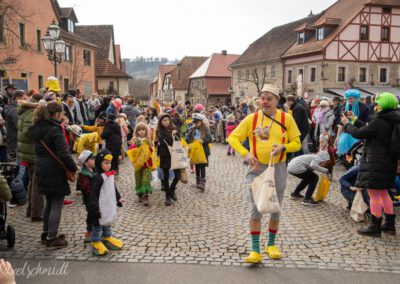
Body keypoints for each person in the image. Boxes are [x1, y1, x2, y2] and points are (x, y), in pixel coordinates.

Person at [228, 84, 301, 263]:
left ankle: (271, 244)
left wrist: (284, 147)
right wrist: (246, 153)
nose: (265, 101)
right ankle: (255, 250)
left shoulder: (287, 119)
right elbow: (232, 138)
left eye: (269, 98)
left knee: (275, 207)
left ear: (277, 100)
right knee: (256, 208)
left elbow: (297, 143)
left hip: (279, 168)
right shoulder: (252, 119)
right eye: (263, 98)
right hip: (256, 169)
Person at [341, 92, 399, 237]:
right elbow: (369, 129)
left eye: (378, 103)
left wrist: (347, 124)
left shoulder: (380, 121)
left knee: (374, 194)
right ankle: (390, 225)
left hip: (376, 161)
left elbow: (360, 133)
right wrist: (355, 120)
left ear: (384, 104)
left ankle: (375, 226)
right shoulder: (392, 118)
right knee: (384, 192)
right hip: (388, 161)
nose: (375, 105)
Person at [28, 101, 77, 249]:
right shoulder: (55, 130)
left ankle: (46, 233)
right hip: (54, 170)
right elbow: (63, 153)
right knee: (56, 203)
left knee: (49, 202)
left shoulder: (37, 128)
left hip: (42, 168)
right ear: (57, 114)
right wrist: (73, 167)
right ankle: (52, 237)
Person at [89, 148, 124, 256]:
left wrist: (118, 198)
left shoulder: (110, 174)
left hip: (108, 204)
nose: (109, 165)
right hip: (99, 206)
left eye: (110, 163)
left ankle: (107, 237)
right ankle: (96, 241)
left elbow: (113, 187)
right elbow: (93, 194)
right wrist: (95, 208)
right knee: (98, 225)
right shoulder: (98, 178)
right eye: (106, 163)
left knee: (108, 221)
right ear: (99, 163)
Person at [17, 92, 44, 221]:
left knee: (33, 182)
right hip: (32, 152)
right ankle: (37, 213)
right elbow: (29, 131)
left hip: (27, 151)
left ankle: (31, 210)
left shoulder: (27, 110)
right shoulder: (32, 112)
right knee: (37, 183)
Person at [288, 134, 333, 205]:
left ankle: (295, 194)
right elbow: (313, 165)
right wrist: (325, 170)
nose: (324, 165)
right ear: (323, 159)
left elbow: (312, 166)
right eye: (325, 163)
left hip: (291, 166)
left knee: (308, 178)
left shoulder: (315, 158)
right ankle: (307, 199)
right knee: (314, 178)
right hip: (296, 167)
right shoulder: (317, 158)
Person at [155, 113, 180, 206]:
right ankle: (167, 197)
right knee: (165, 177)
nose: (166, 122)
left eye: (168, 120)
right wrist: (171, 134)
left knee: (177, 176)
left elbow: (179, 140)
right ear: (161, 122)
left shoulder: (175, 129)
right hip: (164, 155)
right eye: (164, 120)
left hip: (174, 154)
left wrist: (175, 134)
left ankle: (172, 189)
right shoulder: (159, 131)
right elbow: (164, 140)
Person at [336, 89, 370, 156]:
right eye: (347, 99)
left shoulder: (364, 108)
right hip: (346, 135)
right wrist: (338, 136)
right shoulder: (344, 107)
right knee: (345, 156)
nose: (349, 100)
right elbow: (341, 123)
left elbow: (366, 124)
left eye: (351, 98)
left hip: (358, 135)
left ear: (356, 98)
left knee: (355, 156)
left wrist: (354, 119)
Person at [185, 113, 213, 191]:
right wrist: (190, 141)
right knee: (197, 165)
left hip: (203, 150)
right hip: (195, 150)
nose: (196, 124)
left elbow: (210, 138)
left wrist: (203, 141)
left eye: (197, 122)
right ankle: (198, 182)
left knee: (202, 166)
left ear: (201, 121)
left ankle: (203, 183)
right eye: (194, 122)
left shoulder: (206, 128)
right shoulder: (192, 129)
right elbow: (186, 138)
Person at [128, 123, 153, 206]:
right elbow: (131, 151)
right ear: (137, 131)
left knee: (146, 178)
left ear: (146, 131)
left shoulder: (148, 140)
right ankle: (139, 193)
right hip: (138, 163)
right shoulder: (134, 140)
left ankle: (146, 195)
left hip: (146, 162)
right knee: (138, 177)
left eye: (143, 130)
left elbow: (151, 151)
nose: (141, 132)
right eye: (139, 130)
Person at [77, 150, 96, 243]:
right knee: (91, 214)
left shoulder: (94, 170)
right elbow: (85, 188)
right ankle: (89, 231)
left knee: (96, 214)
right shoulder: (83, 173)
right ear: (85, 162)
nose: (94, 161)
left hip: (96, 197)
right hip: (89, 198)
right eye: (92, 159)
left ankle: (96, 230)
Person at [4, 90, 24, 159]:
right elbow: (18, 125)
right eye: (24, 99)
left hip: (13, 138)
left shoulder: (10, 107)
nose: (26, 101)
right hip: (16, 139)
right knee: (21, 165)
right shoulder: (14, 109)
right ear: (18, 98)